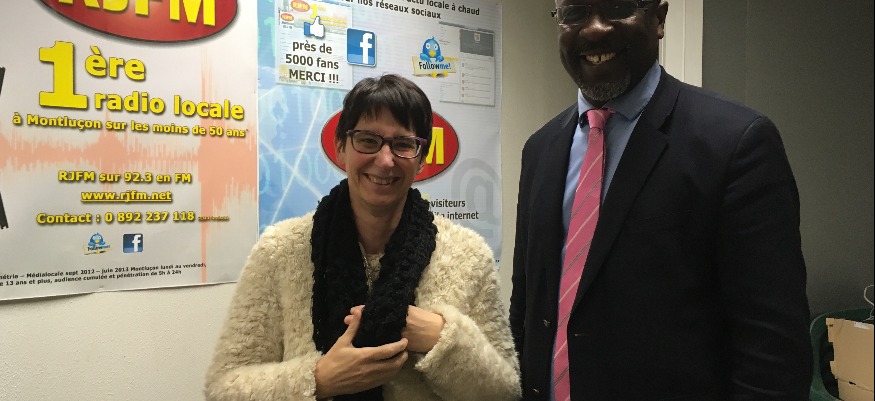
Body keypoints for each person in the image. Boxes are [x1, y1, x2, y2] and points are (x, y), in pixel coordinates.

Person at [510, 1, 812, 399]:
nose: (595, 28)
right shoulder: (540, 149)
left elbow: (772, 353)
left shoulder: (735, 144)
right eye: (575, 11)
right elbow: (526, 308)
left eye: (617, 7)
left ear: (659, 18)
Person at [205, 74, 521, 401]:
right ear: (341, 148)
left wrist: (442, 339)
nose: (385, 160)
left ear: (421, 159)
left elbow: (505, 391)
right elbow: (223, 387)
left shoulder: (470, 257)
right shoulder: (279, 251)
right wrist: (319, 379)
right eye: (368, 141)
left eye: (403, 144)